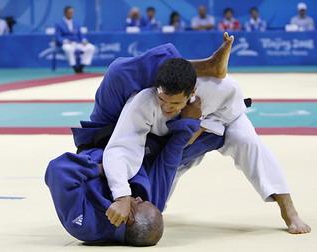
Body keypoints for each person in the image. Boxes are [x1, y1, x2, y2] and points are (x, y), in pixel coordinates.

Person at [90, 33, 310, 234]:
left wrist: (201, 126)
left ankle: (288, 210)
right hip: (176, 135)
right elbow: (121, 148)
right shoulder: (142, 103)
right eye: (163, 100)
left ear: (192, 93)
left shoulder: (221, 89)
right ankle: (159, 200)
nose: (167, 108)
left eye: (174, 103)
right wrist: (121, 193)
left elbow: (231, 108)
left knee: (247, 141)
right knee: (156, 201)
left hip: (222, 117)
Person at [46, 116, 223, 245]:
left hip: (101, 136)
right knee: (217, 134)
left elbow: (58, 170)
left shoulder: (85, 224)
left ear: (129, 219)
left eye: (139, 203)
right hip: (144, 146)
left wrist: (105, 168)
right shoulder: (153, 201)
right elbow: (168, 161)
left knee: (120, 74)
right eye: (142, 200)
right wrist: (193, 125)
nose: (139, 198)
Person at [55, 6, 96, 73]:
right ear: (65, 13)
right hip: (67, 44)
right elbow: (58, 36)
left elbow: (81, 35)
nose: (71, 14)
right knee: (68, 49)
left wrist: (84, 41)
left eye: (72, 12)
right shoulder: (59, 24)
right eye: (69, 12)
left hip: (77, 43)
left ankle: (81, 66)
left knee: (91, 47)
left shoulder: (77, 23)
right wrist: (65, 41)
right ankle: (74, 67)